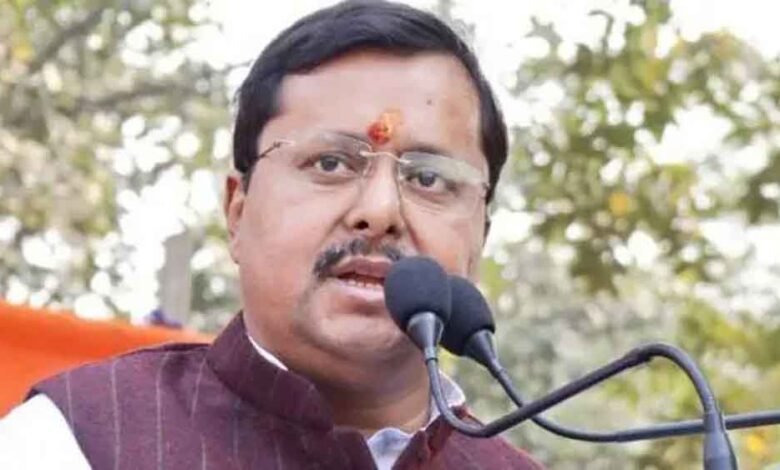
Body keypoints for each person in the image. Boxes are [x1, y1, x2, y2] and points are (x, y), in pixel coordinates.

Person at [0, 1, 544, 468]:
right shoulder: (71, 443)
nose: (380, 212)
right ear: (237, 210)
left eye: (428, 178)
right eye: (330, 163)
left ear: (481, 235)